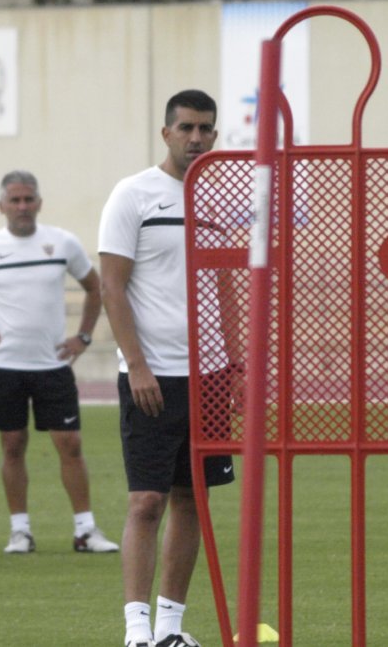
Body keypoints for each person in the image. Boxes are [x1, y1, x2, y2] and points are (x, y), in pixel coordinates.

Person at [98, 89, 236, 647]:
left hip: (212, 377)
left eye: (206, 129)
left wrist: (238, 365)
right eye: (187, 128)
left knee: (192, 498)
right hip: (152, 375)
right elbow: (112, 284)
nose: (197, 138)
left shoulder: (221, 199)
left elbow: (225, 287)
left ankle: (171, 629)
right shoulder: (133, 195)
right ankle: (136, 631)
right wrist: (137, 365)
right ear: (166, 133)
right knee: (146, 500)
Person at [0, 170, 119, 555]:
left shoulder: (62, 243)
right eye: (15, 200)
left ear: (39, 203)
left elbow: (96, 287)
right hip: (3, 366)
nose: (22, 207)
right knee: (12, 446)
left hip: (52, 365)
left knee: (71, 444)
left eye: (29, 199)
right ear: (1, 206)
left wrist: (84, 336)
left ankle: (85, 530)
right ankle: (20, 531)